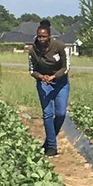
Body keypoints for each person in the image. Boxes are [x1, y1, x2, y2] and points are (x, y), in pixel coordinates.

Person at [28, 20, 69, 156]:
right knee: (47, 114)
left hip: (61, 83)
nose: (41, 39)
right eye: (39, 36)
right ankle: (52, 147)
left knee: (61, 113)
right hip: (44, 84)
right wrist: (41, 77)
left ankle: (48, 141)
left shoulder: (60, 47)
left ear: (49, 36)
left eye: (44, 36)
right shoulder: (33, 50)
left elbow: (66, 67)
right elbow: (32, 70)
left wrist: (54, 76)